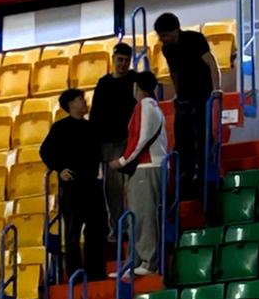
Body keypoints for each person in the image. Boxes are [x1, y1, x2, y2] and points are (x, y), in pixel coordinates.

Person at [40, 88, 105, 283]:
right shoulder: (59, 128)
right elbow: (45, 151)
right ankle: (74, 275)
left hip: (92, 184)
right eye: (80, 99)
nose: (84, 102)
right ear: (70, 104)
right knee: (72, 234)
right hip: (72, 188)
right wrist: (59, 168)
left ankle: (95, 272)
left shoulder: (92, 127)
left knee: (95, 231)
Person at [154, 12, 219, 196]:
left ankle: (204, 175)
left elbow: (211, 63)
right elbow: (173, 72)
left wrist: (216, 89)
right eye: (160, 36)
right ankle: (186, 178)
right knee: (182, 139)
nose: (162, 39)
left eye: (165, 35)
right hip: (184, 97)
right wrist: (177, 92)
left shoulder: (195, 39)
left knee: (202, 135)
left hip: (202, 94)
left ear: (175, 30)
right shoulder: (167, 49)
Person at [112, 70, 169, 276]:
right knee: (136, 215)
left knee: (144, 215)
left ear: (137, 87)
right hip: (147, 166)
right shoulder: (152, 106)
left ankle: (148, 262)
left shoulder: (145, 106)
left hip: (147, 166)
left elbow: (140, 138)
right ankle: (134, 261)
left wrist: (122, 161)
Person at [90, 42, 138, 229]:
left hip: (130, 140)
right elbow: (95, 115)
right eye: (120, 60)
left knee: (132, 186)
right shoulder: (103, 83)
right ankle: (118, 227)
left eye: (127, 60)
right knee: (113, 190)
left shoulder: (134, 79)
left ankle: (133, 224)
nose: (123, 64)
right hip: (109, 143)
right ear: (113, 59)